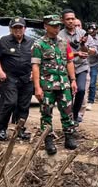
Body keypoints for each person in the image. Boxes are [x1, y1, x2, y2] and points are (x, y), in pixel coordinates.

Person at [31, 15, 78, 154]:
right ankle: (48, 139)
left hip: (63, 84)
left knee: (68, 111)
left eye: (58, 25)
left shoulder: (64, 43)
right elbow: (35, 66)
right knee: (46, 113)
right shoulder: (39, 44)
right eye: (53, 25)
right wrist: (37, 87)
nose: (56, 28)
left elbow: (69, 62)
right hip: (47, 85)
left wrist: (73, 80)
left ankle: (69, 137)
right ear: (46, 26)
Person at [0, 17, 34, 141]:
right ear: (11, 29)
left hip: (27, 78)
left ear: (25, 28)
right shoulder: (4, 41)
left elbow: (37, 60)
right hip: (10, 77)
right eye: (15, 28)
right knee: (10, 103)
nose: (18, 30)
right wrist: (0, 72)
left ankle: (20, 130)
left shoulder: (32, 42)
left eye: (20, 27)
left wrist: (34, 73)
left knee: (24, 106)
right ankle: (1, 129)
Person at [59, 10, 95, 124]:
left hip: (81, 67)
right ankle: (67, 118)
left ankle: (75, 115)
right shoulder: (59, 35)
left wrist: (83, 44)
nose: (71, 21)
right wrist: (76, 53)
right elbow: (60, 53)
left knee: (81, 90)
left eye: (72, 18)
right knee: (68, 95)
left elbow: (91, 51)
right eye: (68, 19)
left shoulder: (83, 33)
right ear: (62, 20)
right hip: (66, 68)